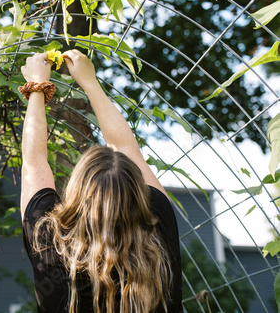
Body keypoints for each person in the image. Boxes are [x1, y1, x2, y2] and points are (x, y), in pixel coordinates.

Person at [19, 50, 182, 312]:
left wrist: (37, 86)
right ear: (138, 194)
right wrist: (90, 82)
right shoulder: (157, 229)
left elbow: (34, 161)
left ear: (76, 188)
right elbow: (127, 148)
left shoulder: (50, 240)